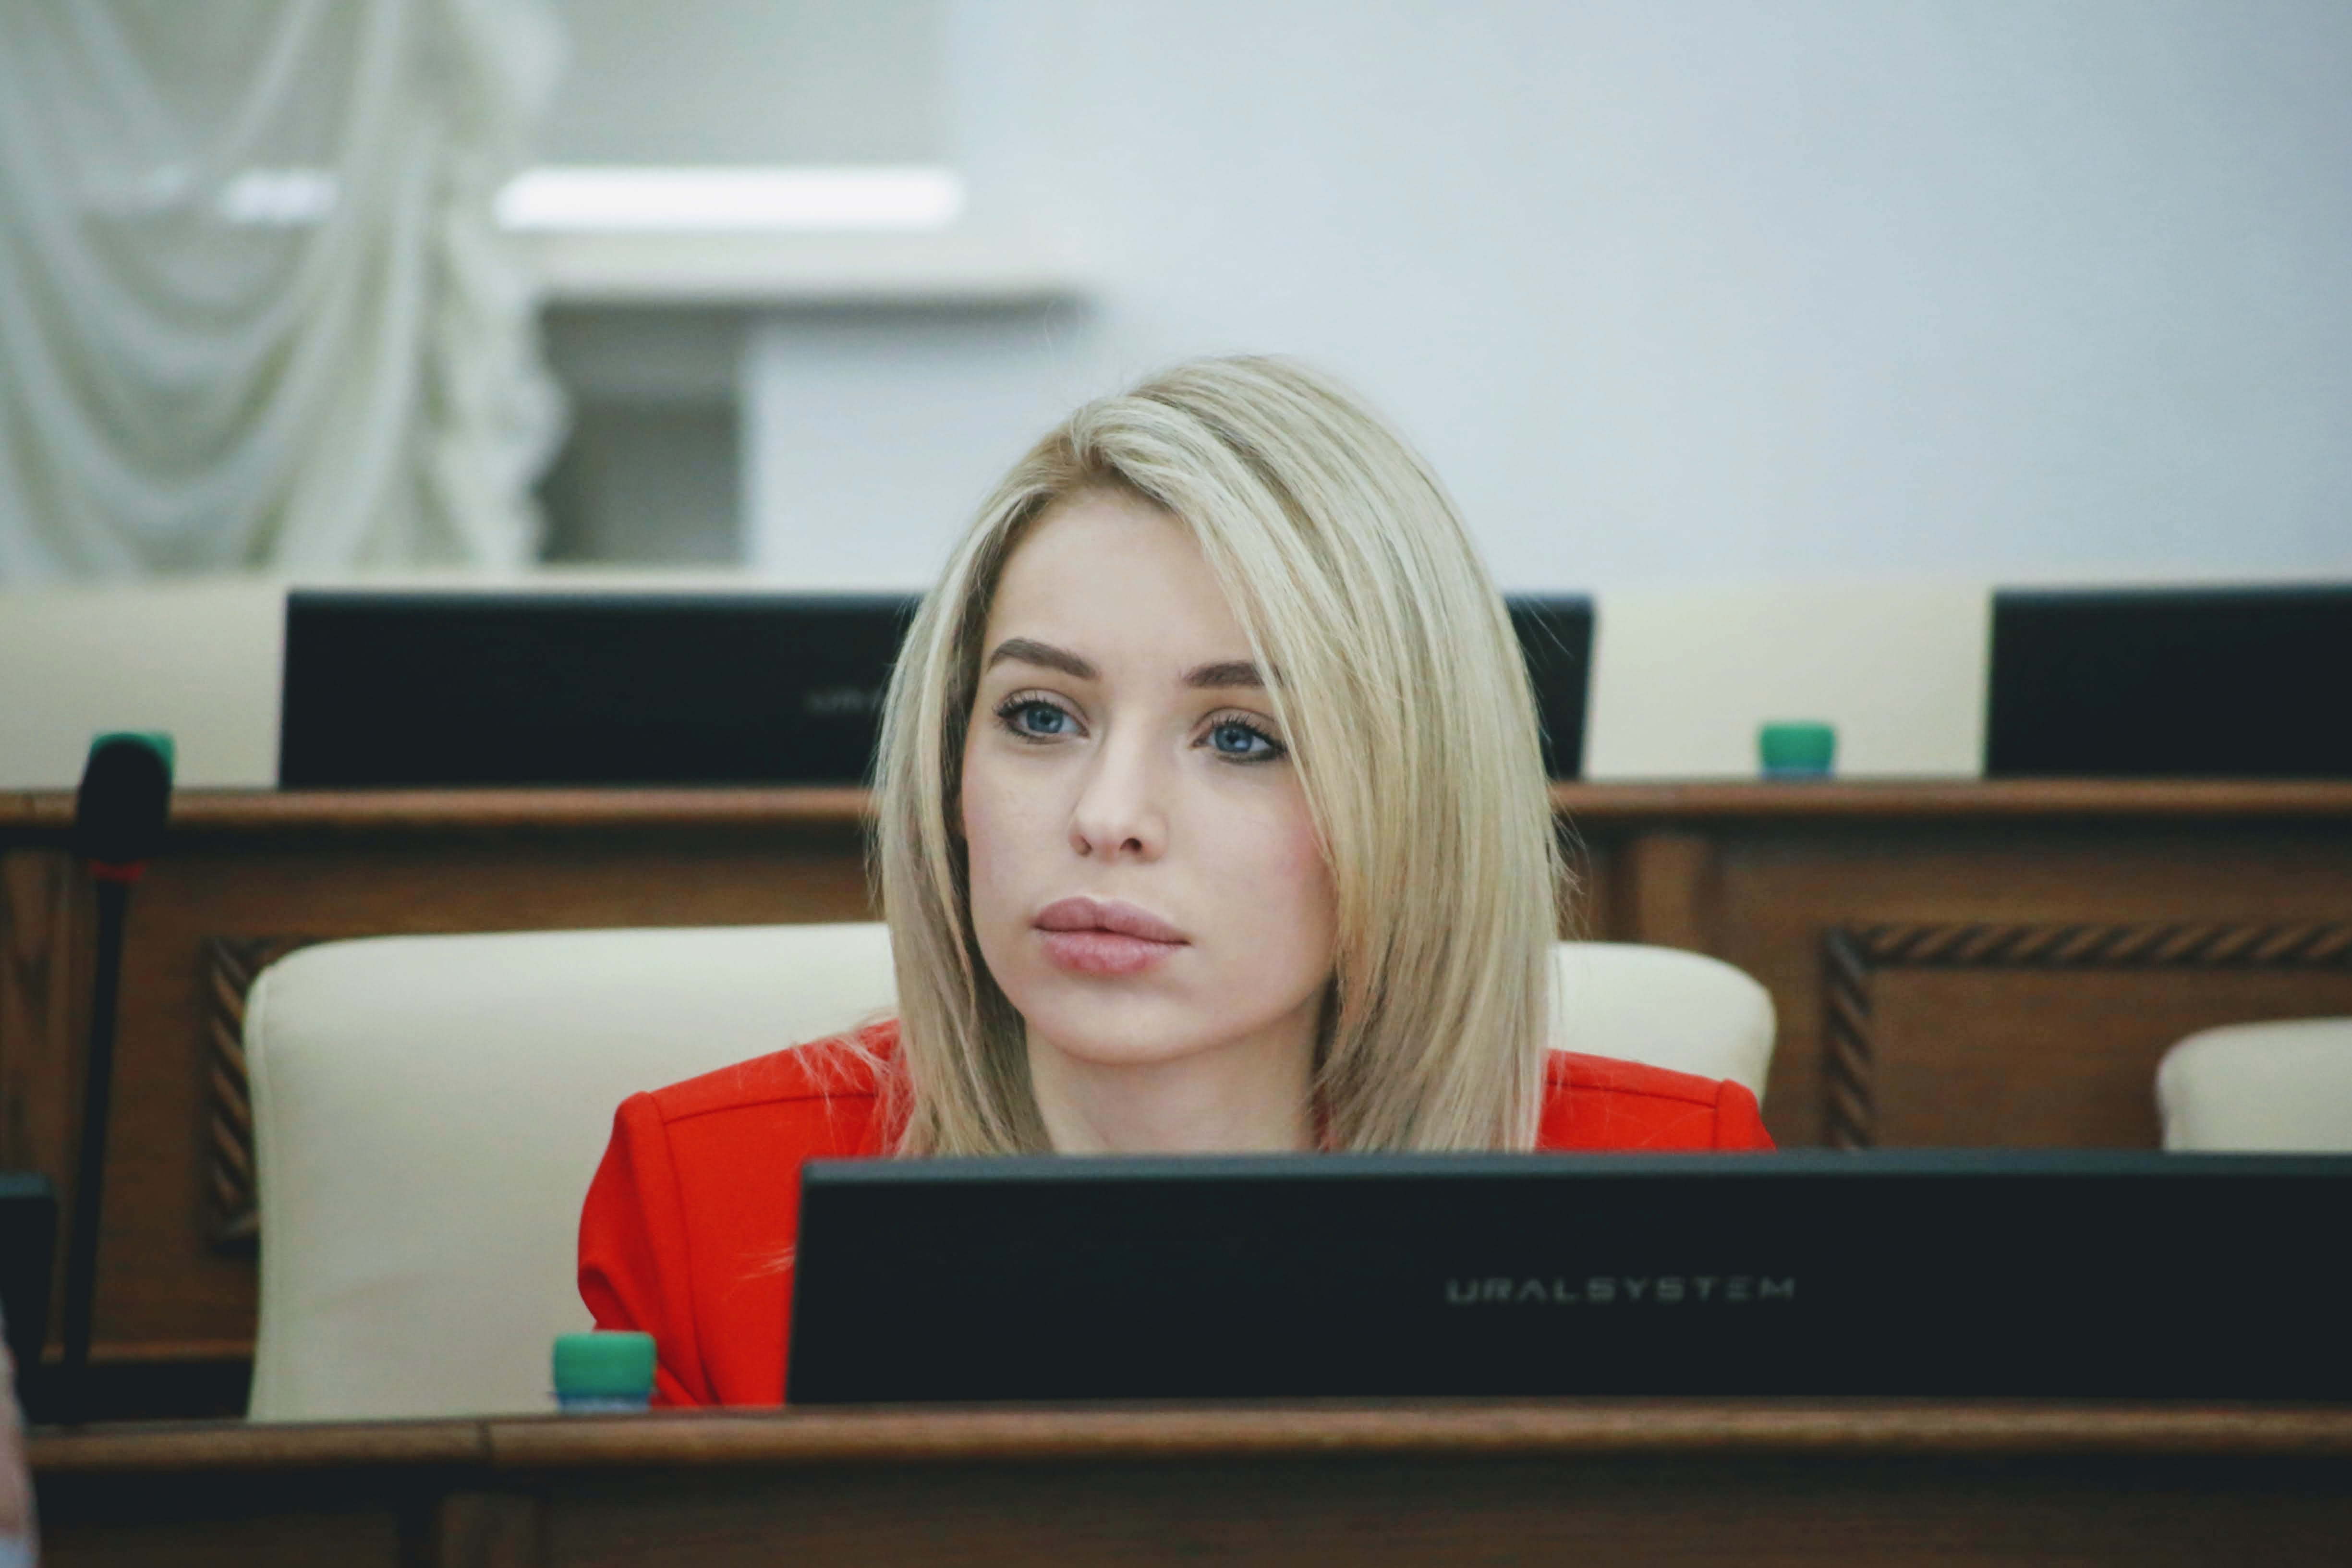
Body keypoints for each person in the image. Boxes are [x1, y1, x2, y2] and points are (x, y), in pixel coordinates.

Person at [579, 356, 1772, 1407]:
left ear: (1417, 803)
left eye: (1243, 737)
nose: (1106, 818)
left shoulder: (1673, 1188)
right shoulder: (710, 1199)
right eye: (1040, 716)